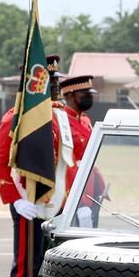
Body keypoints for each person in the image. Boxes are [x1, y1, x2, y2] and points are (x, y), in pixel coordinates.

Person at [0, 55, 72, 277]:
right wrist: (15, 201)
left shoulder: (56, 117)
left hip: (52, 203)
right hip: (27, 202)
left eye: (57, 78)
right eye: (52, 79)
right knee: (26, 267)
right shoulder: (15, 119)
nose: (57, 84)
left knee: (48, 264)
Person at [59, 74, 106, 228]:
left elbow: (90, 158)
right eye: (84, 95)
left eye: (89, 94)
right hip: (73, 192)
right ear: (71, 95)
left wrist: (100, 185)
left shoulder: (85, 120)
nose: (88, 98)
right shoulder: (62, 121)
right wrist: (80, 202)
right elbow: (69, 164)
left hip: (90, 188)